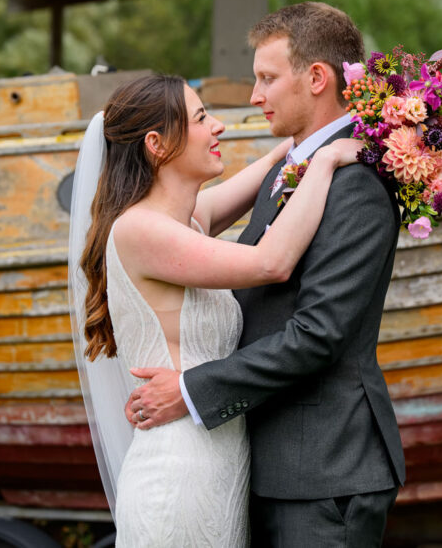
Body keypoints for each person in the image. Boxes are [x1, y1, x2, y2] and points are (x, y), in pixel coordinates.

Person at [125, 2, 406, 547]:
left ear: (318, 78)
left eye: (267, 79)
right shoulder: (292, 166)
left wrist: (191, 390)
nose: (254, 97)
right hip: (270, 460)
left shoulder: (358, 185)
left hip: (325, 467)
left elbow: (318, 334)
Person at [69, 72, 362, 547]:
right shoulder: (141, 231)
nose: (219, 127)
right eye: (203, 117)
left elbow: (279, 163)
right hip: (178, 476)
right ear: (157, 144)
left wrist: (329, 131)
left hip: (218, 469)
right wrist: (327, 160)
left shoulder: (187, 223)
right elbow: (272, 262)